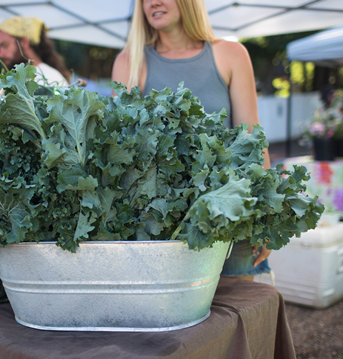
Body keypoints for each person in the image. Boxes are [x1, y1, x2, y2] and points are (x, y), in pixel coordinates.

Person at [111, 0, 271, 280]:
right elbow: (122, 152)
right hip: (160, 228)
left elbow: (252, 138)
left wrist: (268, 212)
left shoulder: (231, 54)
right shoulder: (129, 61)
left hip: (230, 213)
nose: (153, 3)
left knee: (241, 312)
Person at [0, 17, 71, 86]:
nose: (0, 54)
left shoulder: (52, 79)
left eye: (5, 46)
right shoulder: (9, 80)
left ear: (24, 42)